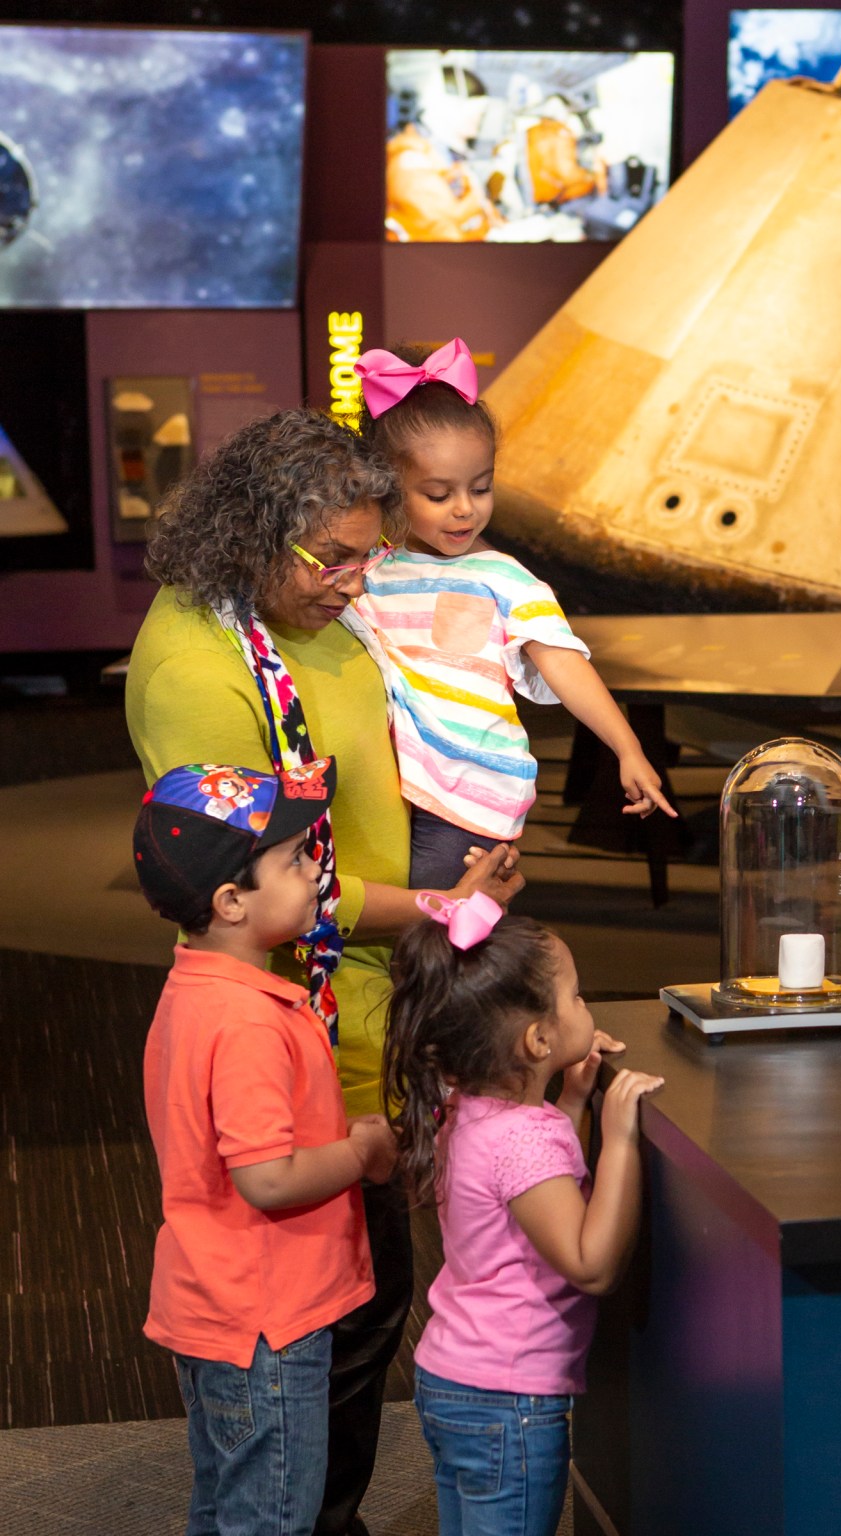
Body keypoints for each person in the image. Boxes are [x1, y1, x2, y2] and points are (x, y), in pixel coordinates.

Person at [127, 409, 523, 1536]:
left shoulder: (305, 612)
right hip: (302, 1021)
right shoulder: (199, 670)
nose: (356, 581)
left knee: (363, 1299)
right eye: (333, 559)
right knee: (330, 1326)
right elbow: (255, 884)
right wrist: (442, 908)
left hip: (364, 1002)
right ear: (252, 537)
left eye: (368, 555)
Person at [133, 756, 399, 1536]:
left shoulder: (201, 991)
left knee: (225, 1505)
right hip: (266, 1322)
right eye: (293, 858)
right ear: (230, 902)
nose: (316, 864)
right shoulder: (245, 1023)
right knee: (274, 1515)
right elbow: (268, 1179)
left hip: (224, 1304)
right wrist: (362, 1150)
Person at [382, 894, 663, 1536]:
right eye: (576, 998)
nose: (585, 1009)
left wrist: (574, 1101)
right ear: (537, 1039)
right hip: (508, 1404)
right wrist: (618, 1137)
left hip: (454, 1378)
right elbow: (590, 1263)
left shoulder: (471, 1110)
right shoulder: (522, 1140)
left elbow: (532, 1195)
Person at [352, 338, 676, 891]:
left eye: (481, 488)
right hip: (389, 785)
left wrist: (627, 748)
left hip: (468, 791)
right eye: (438, 493)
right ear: (389, 489)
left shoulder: (504, 578)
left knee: (442, 933)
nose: (465, 508)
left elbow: (564, 663)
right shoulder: (367, 571)